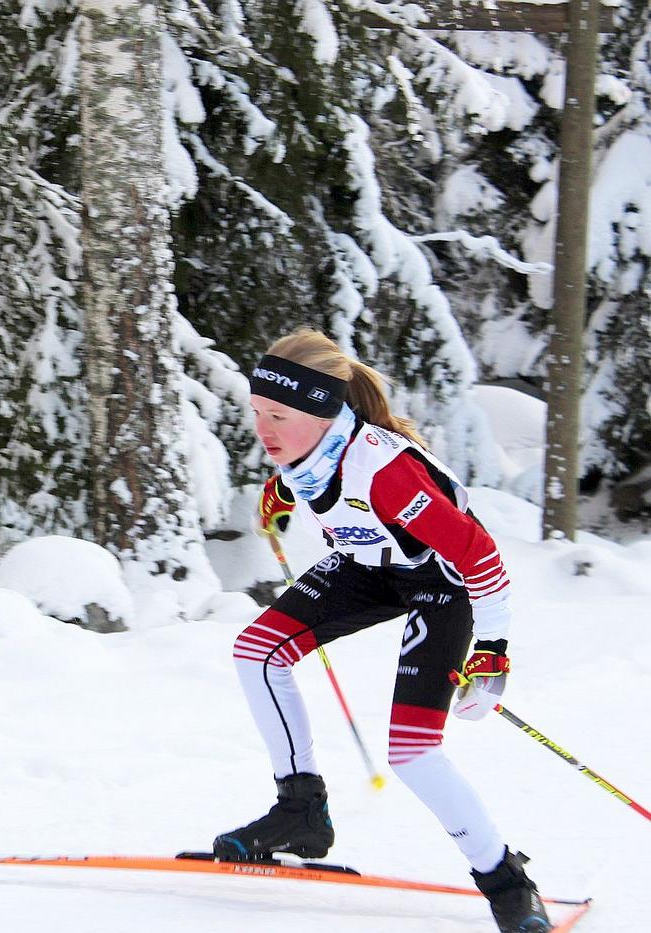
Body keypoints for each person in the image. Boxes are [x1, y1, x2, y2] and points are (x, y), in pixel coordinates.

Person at [210, 329, 550, 933]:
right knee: (256, 652)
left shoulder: (386, 472)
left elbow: (477, 554)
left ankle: (506, 883)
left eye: (278, 415)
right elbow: (309, 472)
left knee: (413, 754)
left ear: (322, 411)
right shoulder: (308, 449)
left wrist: (493, 650)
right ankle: (301, 811)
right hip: (369, 566)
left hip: (439, 583)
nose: (263, 430)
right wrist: (280, 493)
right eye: (257, 412)